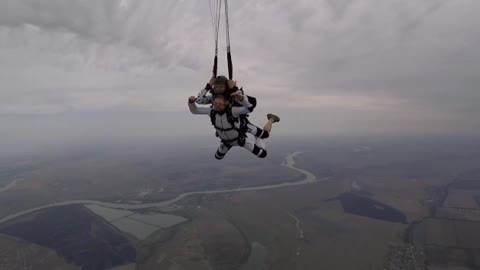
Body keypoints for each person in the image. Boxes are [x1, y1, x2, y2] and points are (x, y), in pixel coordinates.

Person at [188, 93, 280, 159]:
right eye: (215, 104)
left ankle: (270, 120)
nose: (217, 106)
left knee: (262, 153)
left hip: (241, 140)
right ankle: (259, 135)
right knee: (218, 157)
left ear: (226, 103)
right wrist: (191, 102)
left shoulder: (233, 111)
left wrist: (241, 98)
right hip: (226, 141)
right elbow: (195, 111)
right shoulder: (211, 111)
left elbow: (249, 108)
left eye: (220, 104)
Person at [195, 76, 276, 139]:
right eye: (216, 87)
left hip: (241, 123)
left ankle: (271, 119)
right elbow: (199, 100)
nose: (219, 89)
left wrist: (234, 88)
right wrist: (207, 86)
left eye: (221, 86)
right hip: (226, 126)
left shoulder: (233, 95)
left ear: (226, 87)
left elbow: (249, 103)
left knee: (264, 135)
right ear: (214, 87)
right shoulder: (213, 98)